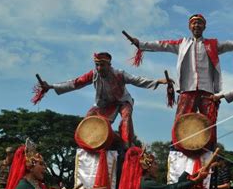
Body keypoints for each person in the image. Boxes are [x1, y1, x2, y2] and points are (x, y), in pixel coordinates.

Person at [128, 14, 233, 149]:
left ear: (204, 26)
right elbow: (161, 45)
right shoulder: (182, 44)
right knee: (181, 119)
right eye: (194, 23)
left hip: (207, 90)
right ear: (189, 26)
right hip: (187, 88)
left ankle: (210, 149)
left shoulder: (212, 44)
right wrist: (140, 43)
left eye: (199, 23)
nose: (196, 25)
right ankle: (178, 148)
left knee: (209, 121)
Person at [38, 52, 173, 147]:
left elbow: (137, 80)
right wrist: (50, 86)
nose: (99, 68)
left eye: (102, 65)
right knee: (89, 117)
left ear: (109, 65)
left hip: (122, 101)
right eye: (97, 65)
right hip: (104, 104)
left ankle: (126, 144)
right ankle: (90, 143)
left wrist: (158, 81)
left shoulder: (119, 74)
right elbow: (75, 83)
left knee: (126, 115)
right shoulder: (93, 74)